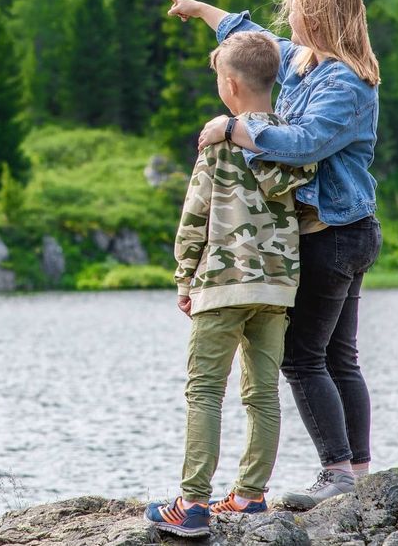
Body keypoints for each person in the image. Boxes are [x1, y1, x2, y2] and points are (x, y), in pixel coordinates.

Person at [161, 0, 383, 511]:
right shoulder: (307, 62)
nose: (289, 16)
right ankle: (357, 473)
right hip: (343, 231)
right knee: (338, 355)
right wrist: (201, 10)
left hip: (335, 232)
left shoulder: (346, 83)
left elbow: (304, 143)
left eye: (297, 7)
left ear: (317, 17)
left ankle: (338, 472)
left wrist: (232, 128)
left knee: (304, 358)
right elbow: (254, 42)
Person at [145, 31, 314, 538]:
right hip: (276, 288)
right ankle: (250, 495)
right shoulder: (294, 140)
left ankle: (193, 503)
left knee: (204, 392)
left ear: (232, 85)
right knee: (263, 394)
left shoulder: (218, 142)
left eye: (219, 78)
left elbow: (195, 215)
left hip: (221, 285)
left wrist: (184, 278)